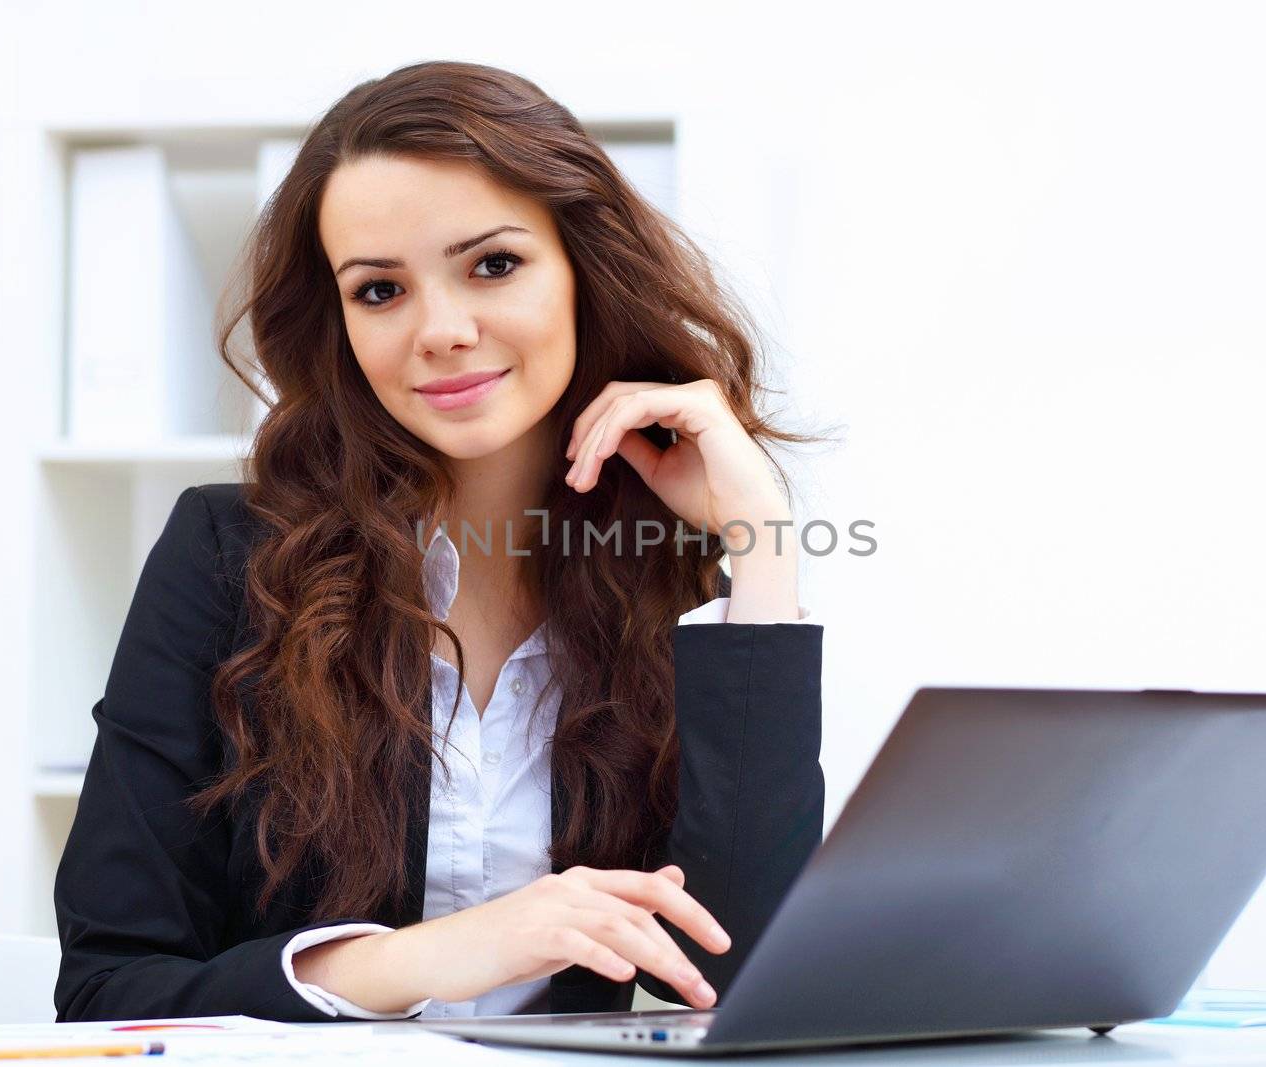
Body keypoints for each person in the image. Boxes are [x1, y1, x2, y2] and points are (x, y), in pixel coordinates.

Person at [53, 59, 827, 1024]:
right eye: (380, 291)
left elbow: (741, 976)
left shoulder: (667, 575)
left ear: (585, 270)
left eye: (493, 265)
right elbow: (107, 990)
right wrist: (429, 957)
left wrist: (763, 546)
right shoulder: (230, 555)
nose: (441, 330)